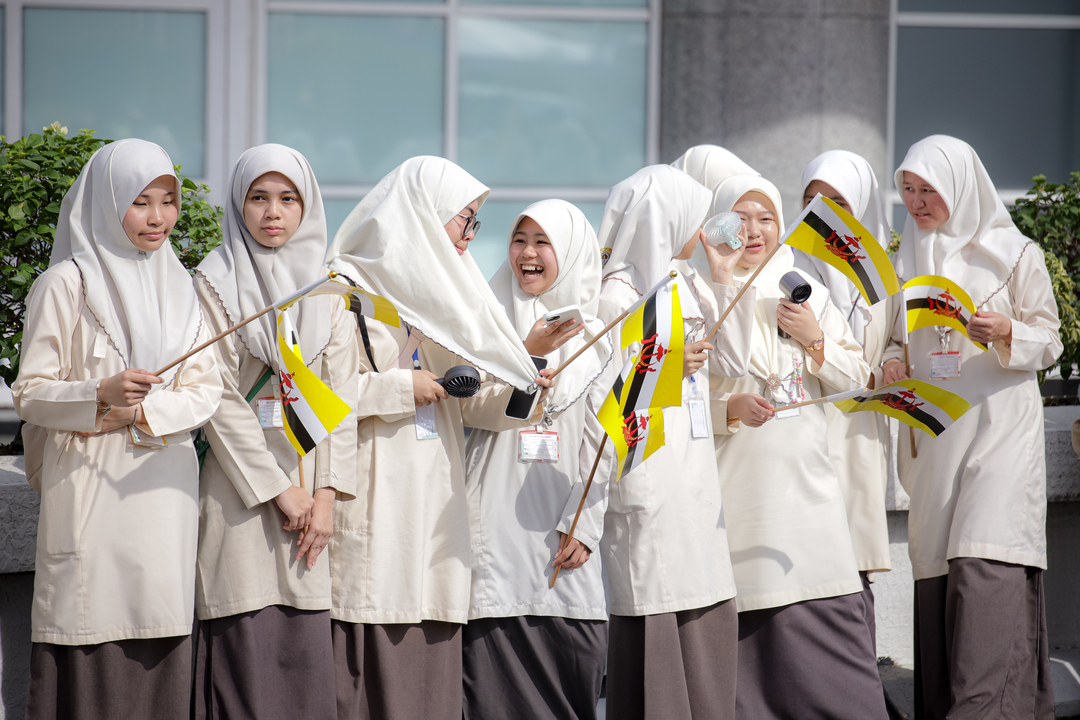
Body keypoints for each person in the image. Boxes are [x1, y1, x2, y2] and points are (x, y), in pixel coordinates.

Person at [323, 156, 553, 720]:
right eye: (464, 220)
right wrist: (404, 388)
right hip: (377, 493)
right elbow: (321, 396)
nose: (469, 238)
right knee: (372, 653)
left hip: (435, 502)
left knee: (429, 658)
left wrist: (529, 379)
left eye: (475, 223)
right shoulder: (342, 288)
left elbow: (469, 402)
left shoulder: (443, 300)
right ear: (425, 217)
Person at [13, 139, 222, 719]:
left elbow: (206, 390)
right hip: (92, 490)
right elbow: (29, 393)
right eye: (140, 202)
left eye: (168, 201)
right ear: (106, 203)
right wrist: (97, 394)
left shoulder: (184, 286)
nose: (158, 218)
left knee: (160, 628)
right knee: (89, 625)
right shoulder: (66, 283)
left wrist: (143, 413)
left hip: (163, 493)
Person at [883, 135, 1061, 719]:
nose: (915, 201)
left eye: (927, 189)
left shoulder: (1013, 254)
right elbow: (889, 337)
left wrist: (1007, 330)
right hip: (937, 445)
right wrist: (888, 358)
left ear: (959, 186)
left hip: (1000, 436)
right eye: (907, 189)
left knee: (984, 570)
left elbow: (1052, 341)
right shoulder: (903, 260)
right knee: (941, 584)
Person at [710, 174, 887, 720]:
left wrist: (814, 338)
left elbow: (858, 378)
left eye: (765, 218)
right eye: (740, 218)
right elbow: (677, 400)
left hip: (809, 501)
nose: (754, 230)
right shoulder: (696, 293)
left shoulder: (802, 287)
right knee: (752, 669)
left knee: (835, 668)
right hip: (735, 502)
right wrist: (729, 410)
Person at [192, 144, 359, 720]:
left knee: (304, 659)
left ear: (307, 205)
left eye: (288, 199)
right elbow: (215, 395)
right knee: (244, 650)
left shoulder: (328, 289)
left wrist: (327, 496)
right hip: (241, 494)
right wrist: (279, 490)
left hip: (311, 498)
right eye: (258, 198)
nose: (273, 213)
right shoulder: (212, 282)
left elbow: (340, 400)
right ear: (238, 205)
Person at [596, 164, 753, 720]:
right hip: (649, 474)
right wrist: (664, 369)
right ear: (668, 218)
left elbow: (734, 363)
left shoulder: (686, 283)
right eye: (696, 212)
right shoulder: (616, 296)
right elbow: (604, 396)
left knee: (702, 609)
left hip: (694, 478)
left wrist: (724, 275)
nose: (707, 224)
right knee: (657, 611)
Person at [462, 199, 612, 720]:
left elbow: (605, 441)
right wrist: (526, 354)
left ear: (569, 252)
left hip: (562, 543)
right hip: (494, 540)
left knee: (570, 686)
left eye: (542, 241)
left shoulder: (597, 339)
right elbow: (471, 413)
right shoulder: (484, 323)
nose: (527, 253)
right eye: (519, 239)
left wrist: (585, 524)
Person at [795, 150, 896, 648]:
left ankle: (857, 683)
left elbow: (893, 338)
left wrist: (895, 358)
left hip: (860, 434)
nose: (821, 211)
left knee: (854, 568)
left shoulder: (884, 274)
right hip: (807, 430)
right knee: (809, 562)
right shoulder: (785, 268)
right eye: (811, 199)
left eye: (836, 201)